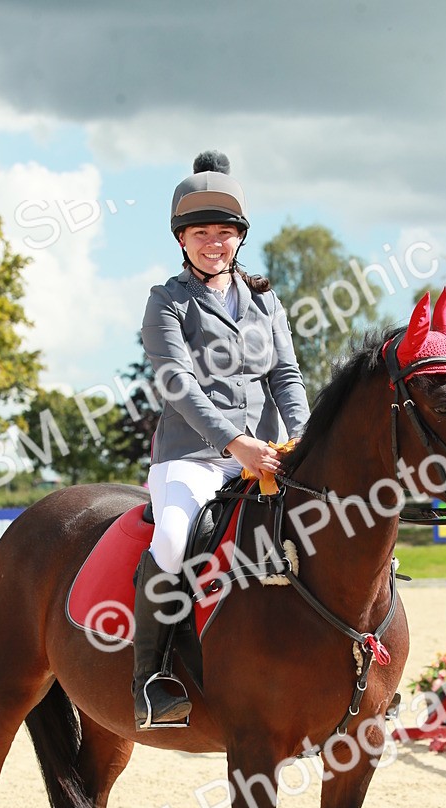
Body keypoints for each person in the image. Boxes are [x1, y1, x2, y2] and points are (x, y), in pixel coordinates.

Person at [133, 150, 310, 731]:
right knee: (173, 541)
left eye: (225, 232)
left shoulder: (266, 301)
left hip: (268, 454)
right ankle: (153, 679)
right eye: (201, 232)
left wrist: (302, 436)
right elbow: (178, 383)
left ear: (240, 238)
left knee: (331, 523)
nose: (214, 241)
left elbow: (285, 375)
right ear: (182, 239)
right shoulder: (168, 302)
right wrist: (236, 443)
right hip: (192, 458)